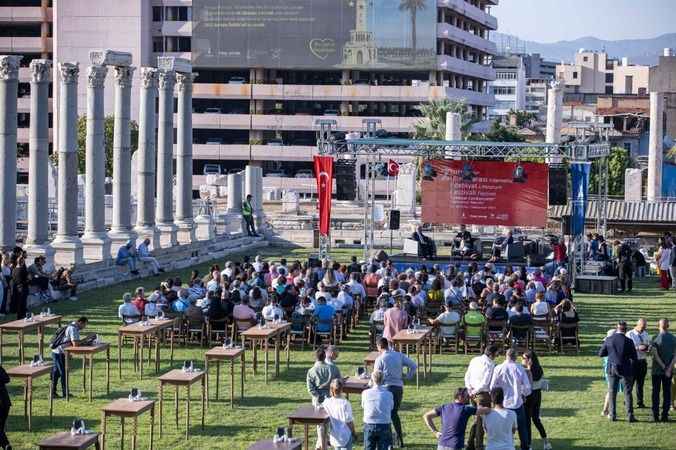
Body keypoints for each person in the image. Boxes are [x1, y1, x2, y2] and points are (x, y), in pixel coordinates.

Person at [374, 337, 417, 447]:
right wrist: (407, 377)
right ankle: (400, 441)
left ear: (379, 347)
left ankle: (389, 443)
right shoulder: (399, 355)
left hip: (386, 389)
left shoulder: (380, 359)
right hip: (398, 389)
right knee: (394, 414)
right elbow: (414, 365)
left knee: (386, 415)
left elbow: (376, 377)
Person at [489, 348, 531, 450]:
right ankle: (525, 447)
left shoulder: (498, 368)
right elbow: (527, 388)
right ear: (515, 357)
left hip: (503, 404)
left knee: (504, 429)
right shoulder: (519, 368)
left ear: (506, 356)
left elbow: (492, 387)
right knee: (522, 428)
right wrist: (523, 394)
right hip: (517, 403)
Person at [423, 387, 491, 450]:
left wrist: (435, 432)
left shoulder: (444, 407)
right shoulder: (465, 409)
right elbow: (486, 410)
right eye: (467, 396)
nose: (468, 398)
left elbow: (426, 416)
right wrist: (477, 401)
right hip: (454, 446)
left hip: (441, 445)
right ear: (460, 397)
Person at [598, 320, 638, 422]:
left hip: (612, 368)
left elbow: (601, 353)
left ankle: (612, 415)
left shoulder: (609, 339)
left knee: (612, 392)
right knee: (627, 393)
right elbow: (634, 357)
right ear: (626, 330)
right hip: (626, 369)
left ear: (617, 328)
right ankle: (630, 415)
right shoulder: (629, 341)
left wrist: (611, 353)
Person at [464, 345, 499, 450]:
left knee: (476, 420)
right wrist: (474, 391)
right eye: (497, 353)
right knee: (481, 422)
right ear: (491, 354)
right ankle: (478, 446)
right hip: (482, 395)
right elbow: (485, 383)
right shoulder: (491, 364)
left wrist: (469, 389)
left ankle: (470, 444)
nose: (498, 355)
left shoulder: (474, 359)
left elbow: (467, 375)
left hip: (472, 393)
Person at [307, 346, 341, 449]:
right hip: (330, 397)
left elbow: (310, 388)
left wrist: (317, 396)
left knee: (320, 424)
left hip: (318, 400)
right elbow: (339, 383)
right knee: (329, 421)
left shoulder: (311, 371)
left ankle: (322, 445)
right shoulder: (333, 368)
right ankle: (324, 443)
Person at [51, 317, 88, 398]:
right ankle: (65, 393)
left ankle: (53, 392)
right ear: (80, 322)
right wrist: (86, 339)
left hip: (57, 351)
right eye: (84, 325)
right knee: (63, 373)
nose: (84, 327)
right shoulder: (73, 329)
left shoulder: (71, 326)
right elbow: (75, 344)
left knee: (56, 373)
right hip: (60, 352)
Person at [522, 351, 551, 450]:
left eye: (524, 358)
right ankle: (546, 442)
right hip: (538, 395)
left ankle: (529, 445)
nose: (522, 360)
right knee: (536, 419)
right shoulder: (539, 368)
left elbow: (528, 383)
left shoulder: (526, 370)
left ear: (530, 360)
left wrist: (528, 369)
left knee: (527, 422)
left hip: (529, 396)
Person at [362, 370, 394, 450]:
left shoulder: (365, 393)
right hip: (384, 424)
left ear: (371, 380)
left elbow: (363, 406)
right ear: (383, 380)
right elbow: (391, 408)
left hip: (369, 424)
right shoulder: (389, 394)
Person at [322, 378, 357, 450]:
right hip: (345, 435)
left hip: (334, 436)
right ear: (341, 389)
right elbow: (349, 422)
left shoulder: (326, 402)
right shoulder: (345, 403)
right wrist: (354, 433)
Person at [651, 318, 674, 422]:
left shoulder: (655, 338)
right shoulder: (674, 338)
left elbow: (655, 355)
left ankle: (655, 415)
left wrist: (663, 367)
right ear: (668, 326)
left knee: (655, 393)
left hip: (656, 370)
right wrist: (668, 368)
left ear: (658, 326)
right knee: (667, 393)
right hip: (669, 371)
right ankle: (665, 415)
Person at [625, 318, 650, 408]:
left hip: (642, 361)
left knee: (640, 383)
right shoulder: (629, 334)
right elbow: (627, 348)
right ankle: (627, 401)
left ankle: (640, 402)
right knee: (630, 383)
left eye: (645, 327)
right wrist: (638, 348)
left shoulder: (646, 334)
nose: (643, 328)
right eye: (642, 327)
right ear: (637, 325)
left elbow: (648, 344)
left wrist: (648, 349)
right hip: (632, 362)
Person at [8, 254, 28, 319]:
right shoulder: (23, 270)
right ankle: (22, 317)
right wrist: (28, 280)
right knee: (22, 304)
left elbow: (13, 279)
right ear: (22, 262)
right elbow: (27, 279)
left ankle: (19, 317)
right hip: (23, 288)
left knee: (18, 303)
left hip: (16, 288)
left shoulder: (14, 270)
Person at [0, 364, 10, 450]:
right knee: (0, 428)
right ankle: (6, 445)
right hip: (6, 403)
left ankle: (6, 445)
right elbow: (7, 379)